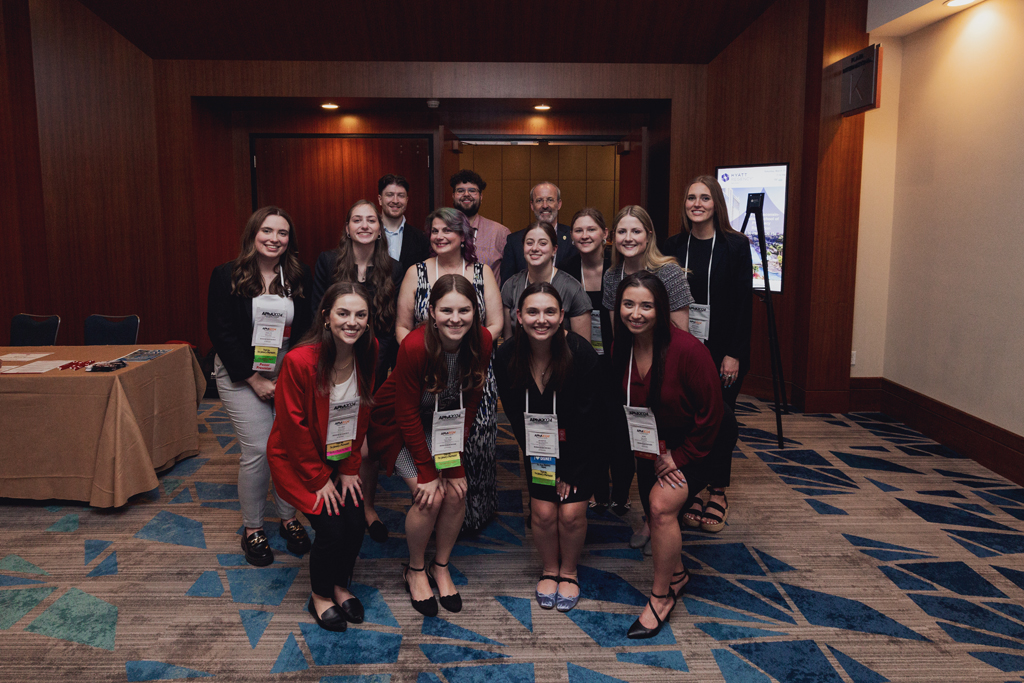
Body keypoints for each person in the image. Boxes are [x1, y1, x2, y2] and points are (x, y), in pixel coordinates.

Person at [610, 271, 736, 639]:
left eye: (646, 305)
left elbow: (713, 415)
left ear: (661, 308)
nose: (636, 313)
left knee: (662, 506)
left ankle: (661, 597)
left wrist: (680, 456)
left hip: (704, 441)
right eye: (629, 304)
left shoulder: (689, 350)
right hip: (655, 441)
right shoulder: (623, 345)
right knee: (653, 507)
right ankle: (678, 574)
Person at [370, 274, 494, 616]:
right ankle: (415, 569)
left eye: (464, 310)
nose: (456, 318)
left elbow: (470, 404)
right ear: (431, 312)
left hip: (442, 425)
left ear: (475, 311)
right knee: (431, 495)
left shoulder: (482, 341)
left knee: (456, 491)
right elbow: (406, 413)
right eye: (447, 310)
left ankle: (440, 565)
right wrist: (427, 471)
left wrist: (452, 464)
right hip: (398, 423)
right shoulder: (414, 345)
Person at [267, 282, 377, 632]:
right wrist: (318, 480)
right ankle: (320, 596)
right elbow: (293, 429)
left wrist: (347, 469)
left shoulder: (368, 349)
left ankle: (340, 585)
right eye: (343, 314)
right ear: (326, 317)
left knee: (356, 521)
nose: (352, 322)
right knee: (331, 526)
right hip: (297, 460)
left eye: (360, 315)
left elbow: (360, 413)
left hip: (338, 455)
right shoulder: (300, 361)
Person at [207, 206, 313, 567]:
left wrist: (288, 377)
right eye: (267, 231)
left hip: (287, 372)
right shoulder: (227, 275)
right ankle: (253, 528)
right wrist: (253, 379)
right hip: (240, 375)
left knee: (288, 445)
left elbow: (307, 330)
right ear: (253, 234)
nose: (274, 239)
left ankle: (288, 518)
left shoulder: (298, 276)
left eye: (282, 233)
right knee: (258, 449)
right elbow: (219, 331)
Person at [494, 282, 605, 612]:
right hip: (538, 445)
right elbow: (515, 415)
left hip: (582, 448)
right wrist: (537, 456)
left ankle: (568, 572)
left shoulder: (581, 354)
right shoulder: (505, 355)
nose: (540, 319)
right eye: (532, 312)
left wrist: (569, 470)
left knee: (570, 513)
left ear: (561, 317)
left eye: (549, 312)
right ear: (518, 316)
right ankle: (549, 569)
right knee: (542, 513)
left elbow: (591, 421)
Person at [395, 207, 502, 530]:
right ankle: (436, 509)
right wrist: (431, 355)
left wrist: (468, 348)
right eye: (435, 231)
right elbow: (402, 327)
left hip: (472, 367)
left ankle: (473, 514)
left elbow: (495, 324)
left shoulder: (481, 272)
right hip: (426, 369)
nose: (440, 236)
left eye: (448, 231)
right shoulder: (417, 272)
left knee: (474, 441)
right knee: (426, 439)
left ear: (463, 235)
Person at [602, 205, 695, 551]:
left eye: (636, 231)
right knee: (640, 446)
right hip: (631, 376)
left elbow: (683, 332)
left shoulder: (668, 273)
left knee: (668, 444)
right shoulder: (613, 276)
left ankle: (668, 508)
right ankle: (648, 515)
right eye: (622, 232)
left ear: (649, 235)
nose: (629, 238)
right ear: (613, 238)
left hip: (667, 375)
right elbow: (617, 331)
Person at [663, 175, 753, 532]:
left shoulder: (735, 245)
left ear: (716, 203)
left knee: (721, 420)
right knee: (690, 419)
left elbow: (745, 306)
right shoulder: (673, 245)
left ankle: (718, 490)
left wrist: (734, 354)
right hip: (685, 349)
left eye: (704, 198)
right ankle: (695, 487)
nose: (696, 204)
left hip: (722, 350)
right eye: (690, 198)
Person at [311, 200, 403, 543]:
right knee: (331, 434)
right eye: (357, 220)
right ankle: (331, 500)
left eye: (371, 221)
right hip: (330, 364)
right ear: (347, 227)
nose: (364, 225)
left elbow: (391, 324)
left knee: (367, 445)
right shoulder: (327, 262)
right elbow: (318, 312)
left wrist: (378, 370)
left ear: (380, 229)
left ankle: (366, 506)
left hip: (374, 367)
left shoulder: (392, 267)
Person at [562, 208, 632, 515]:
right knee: (587, 427)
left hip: (618, 359)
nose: (584, 236)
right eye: (578, 230)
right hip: (581, 363)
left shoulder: (618, 270)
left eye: (591, 229)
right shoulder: (565, 268)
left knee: (618, 426)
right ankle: (594, 488)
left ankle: (622, 492)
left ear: (606, 235)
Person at [500, 220, 591, 341]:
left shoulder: (572, 289)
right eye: (529, 243)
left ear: (554, 249)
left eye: (542, 243)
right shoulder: (511, 286)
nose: (535, 248)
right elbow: (508, 342)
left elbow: (583, 350)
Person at [500, 182, 578, 284]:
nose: (545, 206)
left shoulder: (573, 237)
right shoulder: (514, 241)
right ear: (532, 205)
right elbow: (507, 285)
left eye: (550, 200)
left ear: (559, 204)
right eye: (539, 200)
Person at [450, 169, 510, 285]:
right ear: (453, 196)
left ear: (481, 196)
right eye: (460, 191)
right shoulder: (441, 232)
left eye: (472, 191)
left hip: (487, 301)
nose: (466, 194)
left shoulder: (500, 233)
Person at [378, 173, 431, 273]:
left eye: (401, 196)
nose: (395, 201)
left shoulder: (421, 238)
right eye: (390, 195)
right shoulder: (368, 235)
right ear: (380, 199)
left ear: (406, 200)